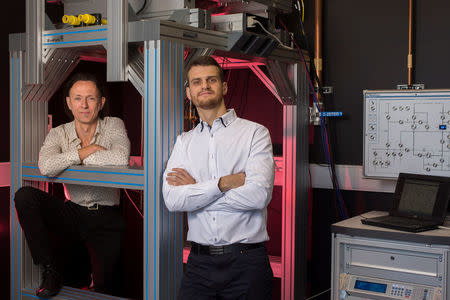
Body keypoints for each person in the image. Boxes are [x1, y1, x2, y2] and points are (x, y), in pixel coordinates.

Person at [163, 56, 275, 299]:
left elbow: (258, 196)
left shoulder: (255, 133)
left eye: (211, 80)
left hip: (247, 264)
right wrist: (223, 184)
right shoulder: (184, 142)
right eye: (197, 82)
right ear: (189, 92)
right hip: (199, 265)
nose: (204, 86)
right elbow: (173, 200)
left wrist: (196, 190)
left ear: (223, 87)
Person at [14, 73, 130, 297]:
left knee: (108, 288)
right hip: (72, 211)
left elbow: (121, 158)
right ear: (68, 102)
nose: (84, 105)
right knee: (24, 196)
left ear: (101, 102)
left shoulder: (114, 124)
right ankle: (50, 269)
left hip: (106, 215)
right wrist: (85, 152)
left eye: (91, 99)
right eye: (77, 98)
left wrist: (71, 158)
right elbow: (46, 166)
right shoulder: (59, 132)